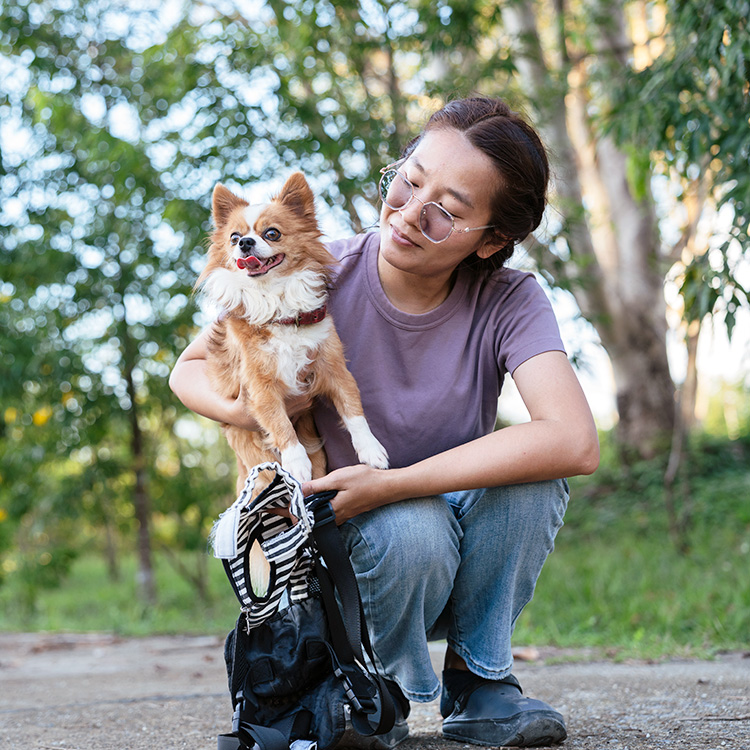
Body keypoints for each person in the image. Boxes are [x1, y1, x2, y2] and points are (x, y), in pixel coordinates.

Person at [170, 96, 599, 748]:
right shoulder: (312, 271)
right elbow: (188, 371)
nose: (407, 213)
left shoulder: (511, 300)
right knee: (411, 527)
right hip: (356, 551)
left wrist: (399, 482)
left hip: (440, 532)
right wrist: (256, 409)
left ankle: (480, 683)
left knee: (530, 476)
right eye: (409, 178)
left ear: (490, 241)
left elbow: (573, 438)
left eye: (446, 212)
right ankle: (373, 689)